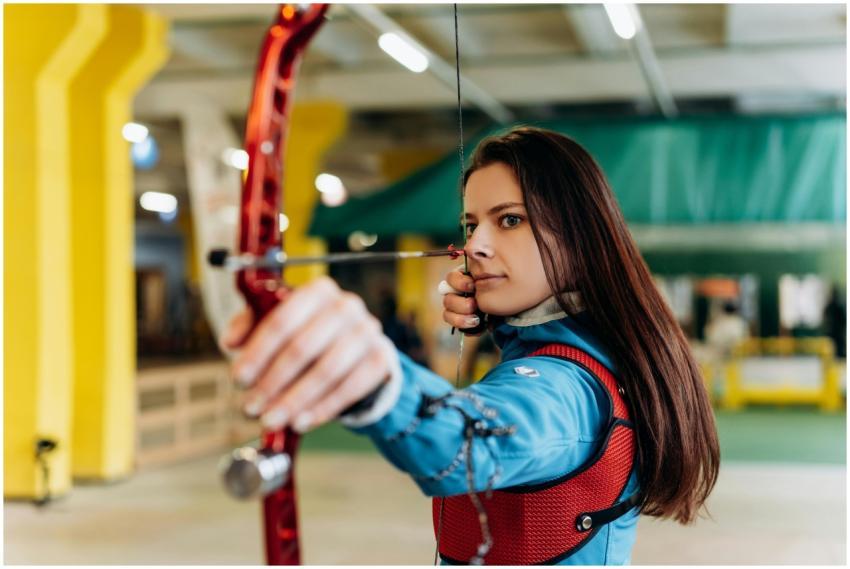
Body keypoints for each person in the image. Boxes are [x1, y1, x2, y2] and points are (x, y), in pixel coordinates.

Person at [220, 127, 720, 565]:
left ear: (579, 237)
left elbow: (468, 441)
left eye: (509, 220)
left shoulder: (566, 387)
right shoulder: (592, 351)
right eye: (470, 224)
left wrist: (375, 377)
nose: (475, 245)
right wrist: (504, 324)